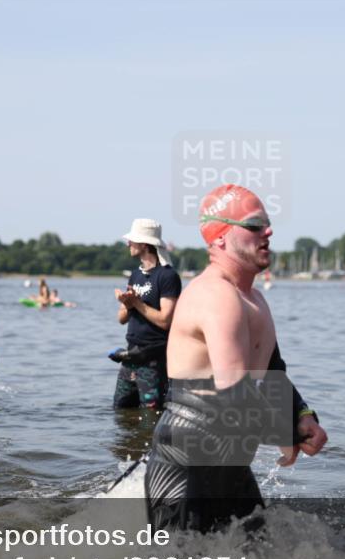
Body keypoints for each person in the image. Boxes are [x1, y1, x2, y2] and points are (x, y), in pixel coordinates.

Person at [143, 184, 328, 532]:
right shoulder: (216, 296)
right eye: (255, 225)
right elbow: (234, 390)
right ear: (221, 237)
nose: (269, 231)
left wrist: (303, 415)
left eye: (268, 224)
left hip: (229, 459)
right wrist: (285, 431)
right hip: (187, 459)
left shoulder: (254, 299)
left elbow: (273, 372)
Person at [112, 219, 181, 409]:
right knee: (120, 412)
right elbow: (121, 319)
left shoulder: (168, 276)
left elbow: (166, 320)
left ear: (144, 244)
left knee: (151, 417)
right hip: (130, 358)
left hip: (153, 362)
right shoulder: (135, 275)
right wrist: (127, 304)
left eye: (132, 240)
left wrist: (136, 302)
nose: (128, 244)